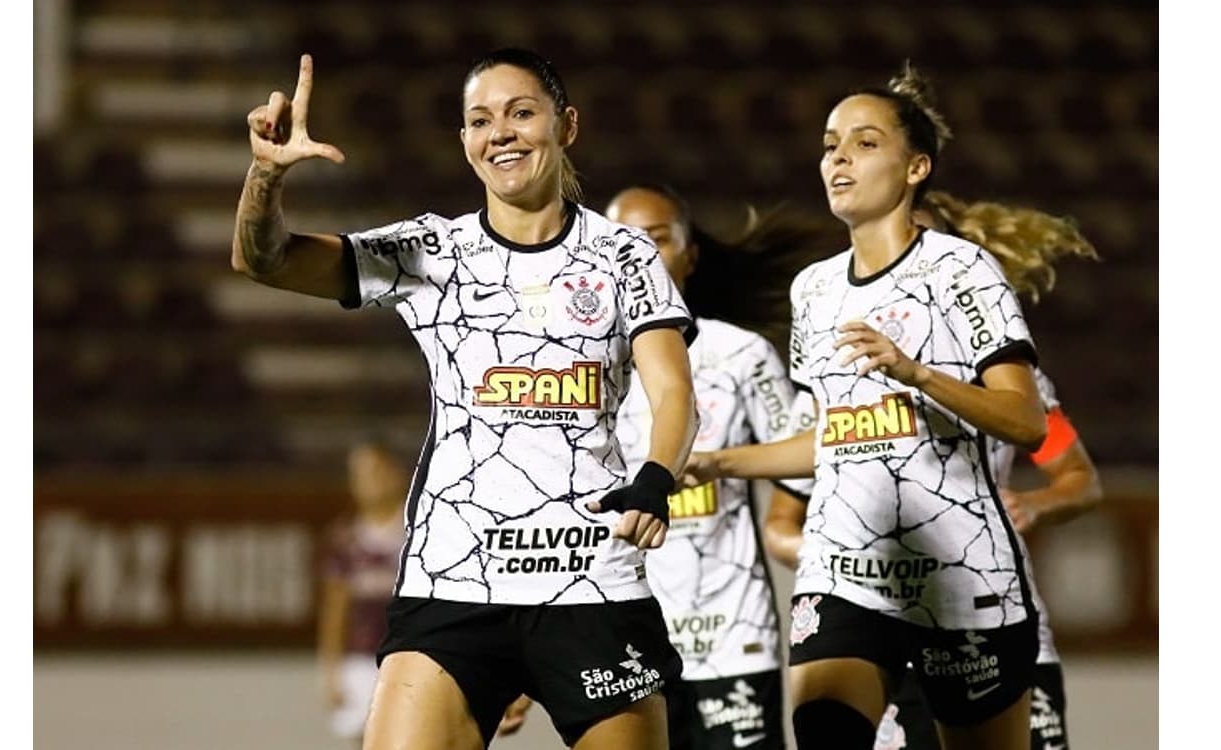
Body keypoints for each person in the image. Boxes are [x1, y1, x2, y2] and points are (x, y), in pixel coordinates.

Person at [231, 49, 699, 750]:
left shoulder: (624, 255)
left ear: (565, 125)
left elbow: (672, 390)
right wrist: (266, 175)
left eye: (521, 113)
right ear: (464, 144)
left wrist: (656, 480)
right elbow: (262, 259)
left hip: (589, 582)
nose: (500, 132)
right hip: (454, 581)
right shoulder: (430, 251)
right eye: (480, 120)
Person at [683, 63, 1049, 750]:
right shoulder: (814, 290)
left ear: (916, 167)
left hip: (959, 570)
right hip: (846, 569)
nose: (838, 157)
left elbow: (1025, 421)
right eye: (829, 144)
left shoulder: (959, 270)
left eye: (864, 142)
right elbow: (832, 436)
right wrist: (714, 462)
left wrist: (916, 373)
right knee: (823, 728)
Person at [496, 185, 837, 749]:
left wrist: (737, 481)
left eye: (659, 239)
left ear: (690, 253)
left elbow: (799, 464)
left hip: (732, 634)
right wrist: (523, 664)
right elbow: (549, 513)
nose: (644, 254)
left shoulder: (740, 354)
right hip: (620, 635)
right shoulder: (571, 359)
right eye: (627, 240)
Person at [763, 189, 1105, 750]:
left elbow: (1080, 478)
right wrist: (853, 554)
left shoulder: (1017, 385)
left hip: (986, 609)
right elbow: (781, 521)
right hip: (881, 618)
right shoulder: (831, 389)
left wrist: (1036, 503)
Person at [318, 441, 409, 745]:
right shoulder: (345, 539)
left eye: (376, 471)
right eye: (358, 474)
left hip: (410, 655)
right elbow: (335, 607)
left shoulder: (419, 535)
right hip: (361, 657)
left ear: (397, 474)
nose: (368, 482)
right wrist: (330, 670)